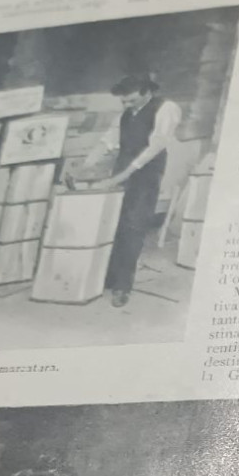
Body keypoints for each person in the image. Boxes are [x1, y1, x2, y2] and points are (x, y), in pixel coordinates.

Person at [72, 74, 183, 307]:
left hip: (145, 175)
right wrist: (85, 165)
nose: (126, 105)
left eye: (131, 101)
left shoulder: (166, 108)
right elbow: (107, 142)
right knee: (114, 223)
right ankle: (108, 278)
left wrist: (125, 174)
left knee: (134, 226)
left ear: (147, 92)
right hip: (122, 171)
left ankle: (123, 287)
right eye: (123, 102)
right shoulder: (125, 115)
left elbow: (156, 146)